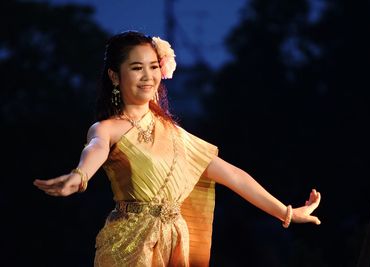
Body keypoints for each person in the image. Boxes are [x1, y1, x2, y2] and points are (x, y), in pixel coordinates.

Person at [33, 30, 321, 267]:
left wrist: (286, 212)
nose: (148, 76)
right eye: (136, 68)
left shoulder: (175, 135)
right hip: (129, 246)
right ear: (114, 76)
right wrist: (79, 176)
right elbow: (94, 149)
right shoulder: (107, 129)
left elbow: (233, 176)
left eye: (153, 66)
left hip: (174, 243)